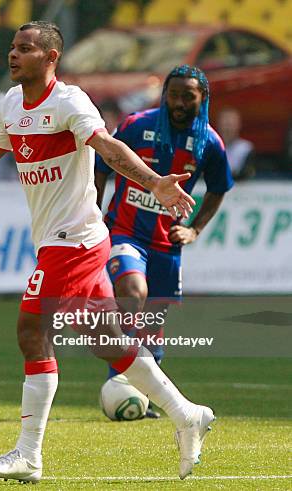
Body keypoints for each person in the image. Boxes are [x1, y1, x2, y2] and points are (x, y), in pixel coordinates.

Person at [0, 21, 213, 483]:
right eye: (13, 47)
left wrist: (153, 183)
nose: (14, 55)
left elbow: (108, 148)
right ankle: (186, 413)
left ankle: (28, 454)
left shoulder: (68, 101)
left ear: (50, 58)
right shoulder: (9, 105)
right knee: (106, 341)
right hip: (61, 239)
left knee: (32, 328)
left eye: (25, 49)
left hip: (74, 240)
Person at [95, 65, 234, 419]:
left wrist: (195, 229)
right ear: (164, 94)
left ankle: (144, 396)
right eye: (174, 93)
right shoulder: (136, 125)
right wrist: (95, 215)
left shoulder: (209, 142)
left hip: (166, 244)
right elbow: (101, 167)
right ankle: (120, 379)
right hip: (125, 231)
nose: (179, 101)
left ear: (202, 98)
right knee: (132, 291)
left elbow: (219, 189)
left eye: (188, 95)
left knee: (153, 324)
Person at [216, 107, 255, 181]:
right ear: (218, 125)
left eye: (230, 124)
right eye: (225, 124)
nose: (227, 129)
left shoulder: (246, 148)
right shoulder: (210, 146)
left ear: (238, 125)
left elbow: (247, 173)